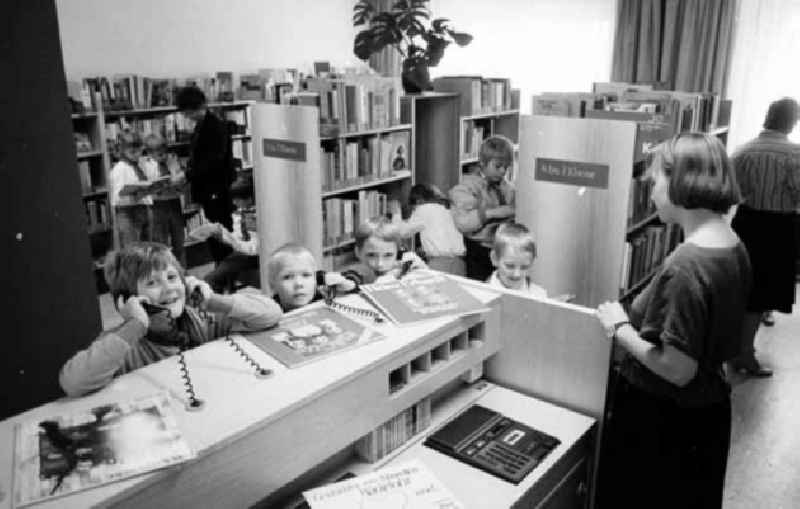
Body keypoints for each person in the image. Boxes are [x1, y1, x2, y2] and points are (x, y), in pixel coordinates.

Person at [596, 133, 750, 509]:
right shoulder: (730, 241)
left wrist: (620, 328)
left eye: (656, 182)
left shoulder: (688, 264)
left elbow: (677, 368)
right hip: (707, 411)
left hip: (663, 422)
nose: (650, 193)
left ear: (681, 179)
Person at [59, 242, 282, 397]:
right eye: (152, 283)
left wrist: (214, 301)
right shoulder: (123, 343)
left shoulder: (202, 317)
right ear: (128, 300)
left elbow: (271, 313)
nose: (168, 288)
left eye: (173, 277)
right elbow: (73, 383)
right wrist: (134, 326)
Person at [729, 96, 800, 376]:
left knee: (742, 289)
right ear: (792, 122)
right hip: (778, 228)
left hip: (745, 223)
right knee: (761, 297)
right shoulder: (795, 155)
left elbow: (731, 191)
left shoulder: (743, 150)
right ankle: (744, 355)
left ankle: (736, 348)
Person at [176, 86, 236, 264]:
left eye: (188, 113)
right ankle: (221, 268)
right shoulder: (202, 126)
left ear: (198, 107)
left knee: (220, 231)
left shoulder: (215, 126)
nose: (187, 117)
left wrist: (187, 175)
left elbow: (212, 161)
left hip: (216, 189)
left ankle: (226, 271)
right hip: (208, 189)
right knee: (212, 231)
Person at [449, 135, 516, 281]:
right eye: (498, 166)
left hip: (502, 248)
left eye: (507, 167)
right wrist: (492, 213)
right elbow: (463, 223)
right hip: (479, 250)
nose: (503, 171)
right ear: (483, 164)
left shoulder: (508, 188)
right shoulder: (466, 187)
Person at [202, 179, 261, 293]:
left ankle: (218, 299)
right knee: (220, 263)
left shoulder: (254, 217)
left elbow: (253, 249)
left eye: (237, 200)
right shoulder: (241, 213)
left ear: (248, 199)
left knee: (210, 279)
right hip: (242, 253)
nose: (234, 203)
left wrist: (230, 240)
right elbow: (238, 236)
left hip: (251, 256)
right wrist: (223, 235)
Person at [395, 184, 466, 276]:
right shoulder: (447, 208)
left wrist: (396, 212)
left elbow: (403, 232)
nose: (413, 211)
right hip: (459, 263)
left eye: (413, 208)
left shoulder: (423, 209)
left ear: (418, 201)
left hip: (440, 264)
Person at [267, 243, 359, 312]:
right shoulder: (271, 310)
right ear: (273, 285)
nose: (299, 284)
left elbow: (355, 283)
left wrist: (346, 285)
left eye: (306, 275)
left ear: (315, 279)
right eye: (287, 277)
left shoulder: (321, 294)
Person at [140, 133, 187, 265]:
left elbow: (181, 179)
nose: (163, 156)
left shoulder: (172, 159)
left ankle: (182, 272)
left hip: (174, 203)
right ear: (149, 153)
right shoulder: (144, 164)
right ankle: (164, 272)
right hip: (157, 206)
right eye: (158, 154)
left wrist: (176, 176)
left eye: (164, 152)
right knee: (160, 244)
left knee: (179, 241)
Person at [342, 216, 428, 285]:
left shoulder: (405, 266)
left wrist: (421, 273)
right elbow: (350, 281)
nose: (380, 264)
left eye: (388, 255)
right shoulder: (356, 273)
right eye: (371, 255)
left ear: (398, 252)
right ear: (358, 252)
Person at [109, 130, 155, 247]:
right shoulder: (119, 168)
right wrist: (138, 186)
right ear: (122, 151)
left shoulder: (142, 165)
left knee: (148, 249)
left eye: (139, 151)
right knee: (132, 251)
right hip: (128, 212)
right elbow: (118, 194)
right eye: (132, 152)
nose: (137, 155)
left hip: (145, 208)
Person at [485, 222, 548, 298]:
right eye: (510, 266)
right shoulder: (479, 294)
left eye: (524, 267)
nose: (517, 274)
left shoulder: (539, 295)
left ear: (532, 262)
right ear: (494, 258)